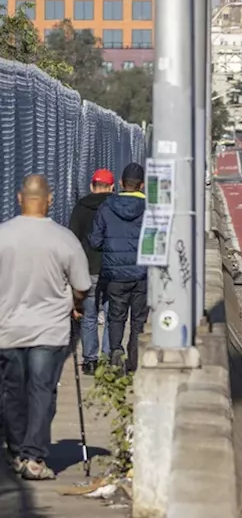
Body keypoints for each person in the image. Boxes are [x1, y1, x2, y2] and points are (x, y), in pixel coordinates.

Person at [0, 174, 91, 480]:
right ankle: (34, 457)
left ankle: (15, 450)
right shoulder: (63, 239)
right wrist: (76, 305)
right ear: (50, 200)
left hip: (7, 327)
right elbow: (81, 286)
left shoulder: (3, 235)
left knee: (12, 391)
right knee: (41, 390)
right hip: (49, 329)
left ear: (18, 198)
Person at [90, 162, 147, 373]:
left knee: (116, 316)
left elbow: (95, 241)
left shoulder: (106, 207)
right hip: (142, 273)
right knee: (138, 320)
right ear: (141, 185)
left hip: (114, 275)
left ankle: (115, 352)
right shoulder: (149, 209)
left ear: (121, 183)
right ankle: (134, 362)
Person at [68, 169, 114, 375]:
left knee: (89, 316)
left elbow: (73, 239)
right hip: (112, 268)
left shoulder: (81, 207)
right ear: (113, 187)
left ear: (91, 186)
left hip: (87, 269)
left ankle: (90, 360)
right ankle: (107, 357)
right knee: (112, 314)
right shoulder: (116, 206)